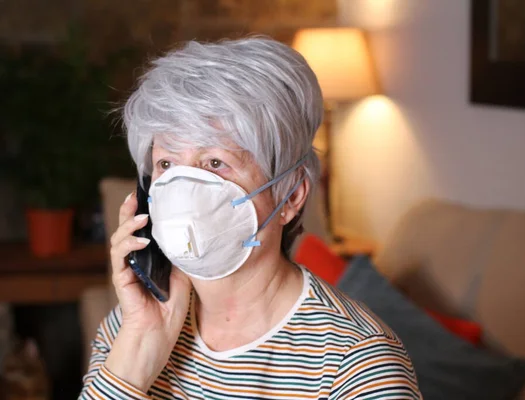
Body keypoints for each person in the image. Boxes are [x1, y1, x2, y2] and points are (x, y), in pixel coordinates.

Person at [79, 37, 421, 400]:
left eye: (215, 163)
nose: (183, 187)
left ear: (290, 195)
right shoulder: (128, 327)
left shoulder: (358, 365)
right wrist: (138, 350)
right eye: (166, 164)